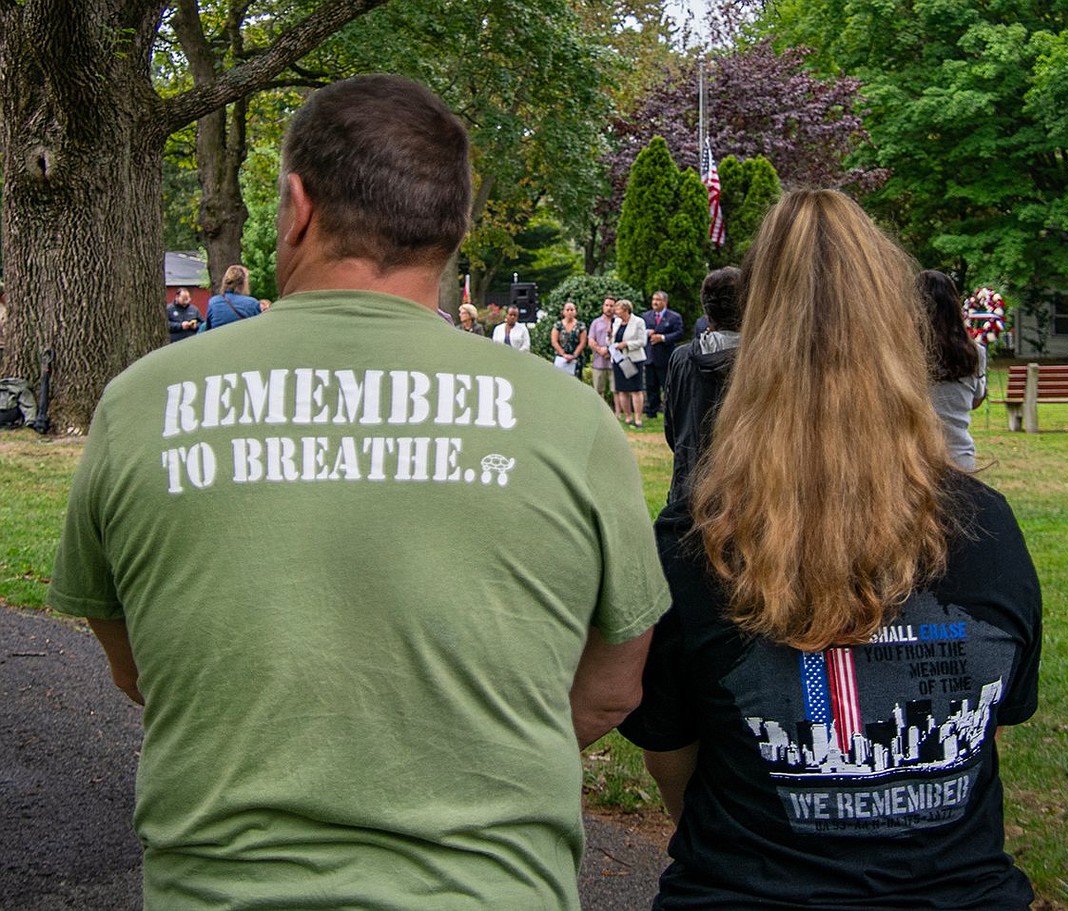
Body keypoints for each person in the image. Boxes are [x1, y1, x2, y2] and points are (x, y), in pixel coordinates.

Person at [47, 75, 667, 911]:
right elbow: (614, 685)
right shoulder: (572, 419)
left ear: (297, 207)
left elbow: (137, 664)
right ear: (451, 229)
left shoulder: (142, 404)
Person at [620, 190, 1041, 910]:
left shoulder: (696, 540)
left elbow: (673, 764)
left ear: (757, 338)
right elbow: (981, 739)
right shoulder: (988, 529)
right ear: (898, 334)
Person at [664, 266, 746, 504]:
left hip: (689, 485)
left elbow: (672, 427)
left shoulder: (681, 359)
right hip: (740, 491)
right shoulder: (758, 363)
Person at [919, 269, 988, 470]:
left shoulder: (906, 352)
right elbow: (976, 400)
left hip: (918, 458)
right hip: (961, 455)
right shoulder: (976, 352)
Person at [641, 290, 684, 418]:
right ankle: (651, 412)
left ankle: (670, 412)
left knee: (667, 387)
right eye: (653, 299)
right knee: (651, 386)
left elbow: (679, 333)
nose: (654, 302)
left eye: (658, 300)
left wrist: (663, 338)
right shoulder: (646, 316)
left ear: (664, 302)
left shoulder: (674, 317)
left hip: (665, 358)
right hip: (649, 357)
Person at [611, 299, 647, 428]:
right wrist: (609, 338)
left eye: (618, 309)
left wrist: (626, 344)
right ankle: (627, 417)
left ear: (626, 310)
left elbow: (642, 341)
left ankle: (638, 418)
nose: (615, 311)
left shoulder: (638, 322)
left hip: (634, 359)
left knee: (636, 389)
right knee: (622, 389)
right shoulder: (616, 322)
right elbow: (612, 339)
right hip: (619, 359)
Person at [204, 264, 262, 329]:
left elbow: (208, 328)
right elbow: (259, 329)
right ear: (244, 283)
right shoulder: (252, 303)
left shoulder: (213, 302)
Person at [588, 296, 617, 404]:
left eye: (611, 305)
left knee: (616, 390)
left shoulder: (618, 322)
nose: (609, 308)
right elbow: (590, 340)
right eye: (606, 305)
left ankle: (617, 414)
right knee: (598, 390)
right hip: (598, 362)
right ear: (603, 307)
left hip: (614, 362)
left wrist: (609, 351)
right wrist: (600, 350)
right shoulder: (596, 322)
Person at [551, 300, 587, 376]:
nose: (570, 312)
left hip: (576, 359)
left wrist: (574, 355)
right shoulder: (558, 325)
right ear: (563, 312)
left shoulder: (581, 325)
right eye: (567, 310)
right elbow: (554, 341)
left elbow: (583, 342)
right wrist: (564, 354)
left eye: (572, 310)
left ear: (575, 312)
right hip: (561, 358)